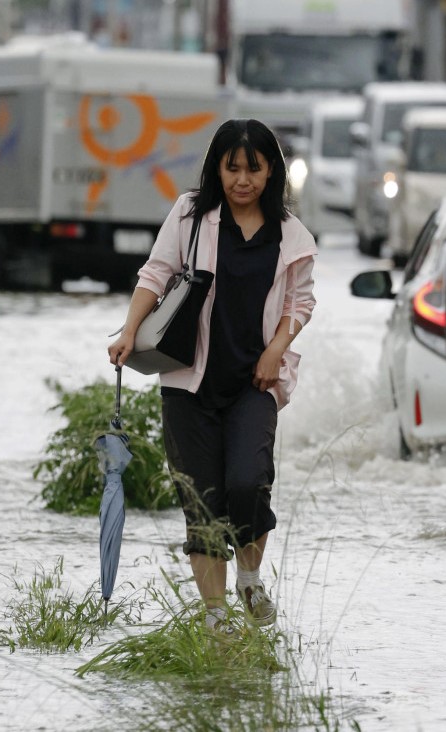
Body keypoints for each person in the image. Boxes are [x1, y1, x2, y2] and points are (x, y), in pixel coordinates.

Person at [108, 119, 317, 631]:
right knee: (200, 501)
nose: (242, 179)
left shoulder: (292, 236)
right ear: (217, 168)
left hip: (255, 384)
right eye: (232, 168)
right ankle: (216, 617)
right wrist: (128, 331)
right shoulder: (191, 215)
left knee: (248, 484)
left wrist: (276, 349)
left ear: (272, 172)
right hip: (188, 381)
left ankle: (249, 579)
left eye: (254, 168)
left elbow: (300, 302)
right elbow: (155, 274)